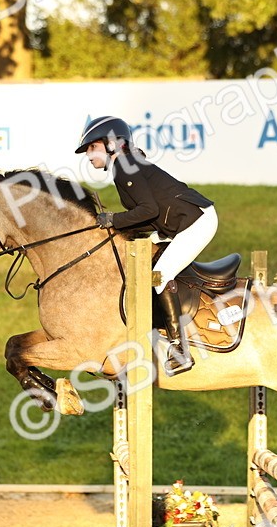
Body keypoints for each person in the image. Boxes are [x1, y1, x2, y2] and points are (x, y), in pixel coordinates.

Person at [76, 115, 217, 376]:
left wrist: (113, 220)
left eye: (92, 148)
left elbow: (148, 210)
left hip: (195, 222)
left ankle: (179, 350)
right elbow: (149, 215)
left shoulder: (126, 165)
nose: (88, 155)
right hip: (175, 224)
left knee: (158, 277)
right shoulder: (126, 166)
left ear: (111, 145)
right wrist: (115, 226)